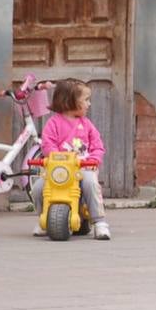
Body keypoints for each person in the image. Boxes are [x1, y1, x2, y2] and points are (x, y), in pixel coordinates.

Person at [31, 78, 111, 240]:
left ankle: (99, 221)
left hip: (82, 168)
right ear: (69, 101)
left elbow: (97, 145)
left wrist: (94, 159)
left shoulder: (86, 124)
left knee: (90, 183)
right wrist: (54, 158)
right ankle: (45, 218)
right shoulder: (53, 124)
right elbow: (48, 145)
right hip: (58, 170)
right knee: (39, 187)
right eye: (86, 100)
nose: (89, 104)